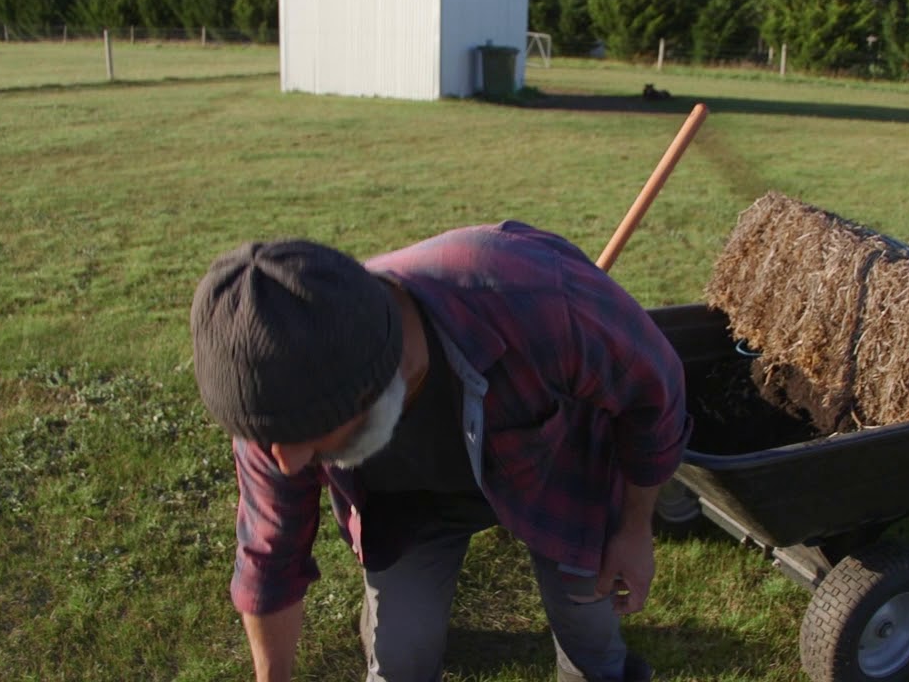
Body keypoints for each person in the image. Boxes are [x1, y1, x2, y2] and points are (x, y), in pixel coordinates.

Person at [189, 220, 692, 682]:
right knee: (399, 662)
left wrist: (632, 529)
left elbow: (656, 395)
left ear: (381, 377)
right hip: (407, 508)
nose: (289, 464)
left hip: (556, 476)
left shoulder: (536, 298)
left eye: (312, 439)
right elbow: (269, 561)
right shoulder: (276, 399)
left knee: (591, 636)